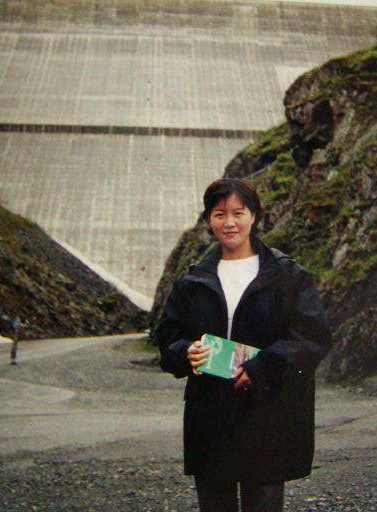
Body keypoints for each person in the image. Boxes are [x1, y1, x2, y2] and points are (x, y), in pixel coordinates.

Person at [155, 178, 332, 512]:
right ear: (209, 220)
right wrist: (185, 352)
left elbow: (312, 337)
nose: (229, 222)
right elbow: (167, 338)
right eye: (219, 214)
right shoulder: (192, 280)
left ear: (254, 216)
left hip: (266, 413)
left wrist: (263, 368)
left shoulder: (288, 276)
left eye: (238, 213)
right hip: (209, 415)